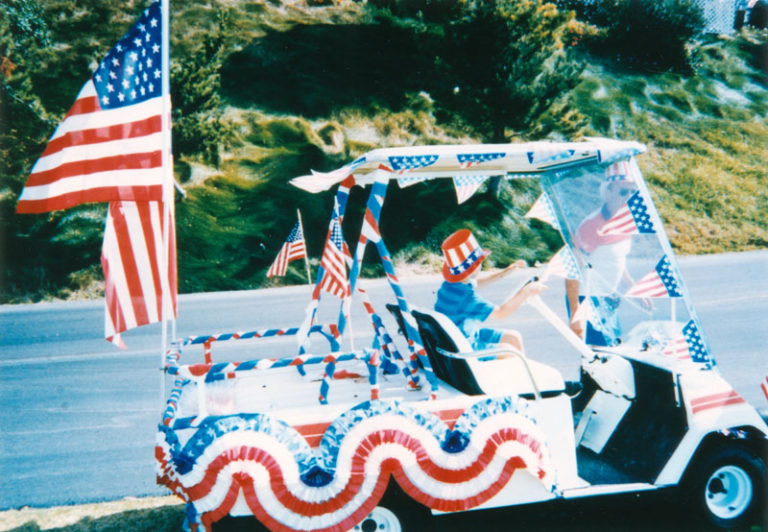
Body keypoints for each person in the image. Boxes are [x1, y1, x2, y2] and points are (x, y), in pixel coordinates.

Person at [566, 162, 645, 345]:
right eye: (623, 192)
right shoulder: (592, 225)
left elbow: (617, 261)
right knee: (601, 355)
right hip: (589, 298)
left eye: (632, 192)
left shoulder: (626, 223)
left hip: (608, 297)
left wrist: (633, 289)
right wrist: (575, 314)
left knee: (611, 353)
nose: (628, 198)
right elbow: (572, 271)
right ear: (608, 192)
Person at [434, 228, 545, 355]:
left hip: (459, 339)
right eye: (480, 262)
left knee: (513, 337)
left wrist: (505, 272)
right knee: (511, 352)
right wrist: (527, 291)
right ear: (473, 267)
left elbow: (477, 283)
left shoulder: (452, 285)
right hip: (465, 348)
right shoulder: (466, 297)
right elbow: (501, 313)